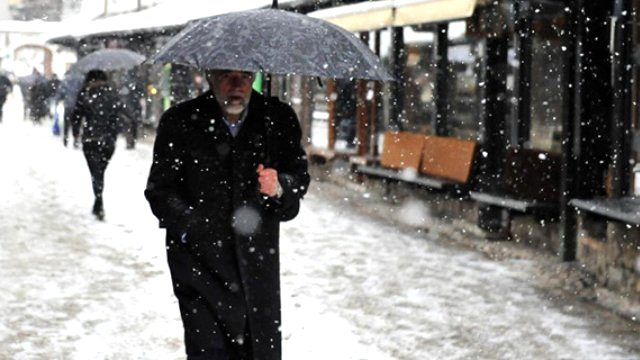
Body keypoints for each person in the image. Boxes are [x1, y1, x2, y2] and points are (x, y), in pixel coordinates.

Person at [144, 69, 309, 360]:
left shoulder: (277, 119)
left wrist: (280, 186)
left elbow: (297, 181)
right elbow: (160, 191)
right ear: (209, 76)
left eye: (245, 76)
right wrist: (192, 227)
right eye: (226, 76)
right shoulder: (181, 121)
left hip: (256, 264)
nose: (237, 85)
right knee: (209, 351)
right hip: (199, 266)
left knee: (258, 351)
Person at [72, 70, 122, 220]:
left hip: (91, 138)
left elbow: (76, 115)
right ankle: (98, 200)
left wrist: (75, 132)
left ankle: (98, 200)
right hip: (108, 139)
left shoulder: (85, 93)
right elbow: (120, 113)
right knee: (100, 170)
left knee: (96, 171)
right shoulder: (112, 93)